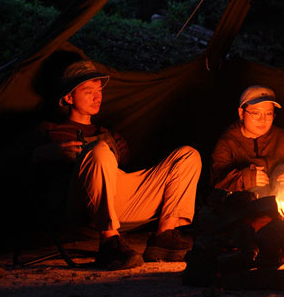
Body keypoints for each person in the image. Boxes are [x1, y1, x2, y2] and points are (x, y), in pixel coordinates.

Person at [30, 60, 202, 270]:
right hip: (76, 204)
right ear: (68, 97)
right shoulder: (49, 130)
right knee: (99, 150)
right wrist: (49, 152)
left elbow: (126, 176)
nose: (97, 97)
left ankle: (164, 236)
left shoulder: (111, 136)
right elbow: (12, 168)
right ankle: (109, 242)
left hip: (116, 202)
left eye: (99, 90)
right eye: (88, 91)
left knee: (187, 155)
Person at [211, 85, 284, 200]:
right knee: (254, 184)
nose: (262, 119)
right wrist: (247, 178)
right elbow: (216, 183)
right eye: (256, 113)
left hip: (283, 198)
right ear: (241, 113)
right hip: (249, 206)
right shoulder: (228, 142)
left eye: (268, 113)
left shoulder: (283, 138)